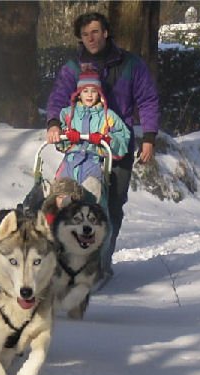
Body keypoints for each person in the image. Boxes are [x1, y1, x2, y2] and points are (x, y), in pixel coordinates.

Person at [45, 11, 159, 280]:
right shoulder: (73, 68)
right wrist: (54, 124)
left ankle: (101, 263)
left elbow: (148, 100)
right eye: (85, 34)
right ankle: (64, 258)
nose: (91, 38)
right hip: (81, 149)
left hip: (116, 145)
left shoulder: (130, 64)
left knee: (112, 205)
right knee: (66, 197)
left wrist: (149, 137)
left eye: (95, 32)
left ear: (105, 33)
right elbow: (59, 98)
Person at [54, 69, 130, 207]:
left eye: (93, 91)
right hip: (70, 162)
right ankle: (58, 209)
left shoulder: (108, 116)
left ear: (99, 93)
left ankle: (89, 208)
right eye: (85, 91)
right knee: (60, 191)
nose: (89, 95)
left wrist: (106, 139)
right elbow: (60, 141)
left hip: (93, 162)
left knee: (92, 190)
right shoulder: (68, 114)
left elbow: (123, 138)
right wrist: (67, 135)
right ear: (79, 93)